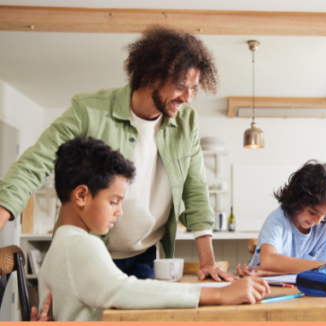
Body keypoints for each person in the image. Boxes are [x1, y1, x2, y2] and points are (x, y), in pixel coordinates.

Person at [0, 25, 235, 282]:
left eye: (193, 88)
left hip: (144, 255)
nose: (188, 98)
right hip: (85, 251)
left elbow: (196, 191)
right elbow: (34, 164)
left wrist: (208, 262)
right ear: (152, 76)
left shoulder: (187, 121)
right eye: (181, 86)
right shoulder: (88, 111)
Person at [37, 138, 267, 321]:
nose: (119, 211)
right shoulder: (81, 245)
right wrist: (220, 294)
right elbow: (122, 290)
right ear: (81, 195)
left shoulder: (60, 246)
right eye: (114, 201)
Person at [240, 161, 326, 277]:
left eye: (324, 215)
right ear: (297, 200)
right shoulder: (277, 221)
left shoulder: (325, 225)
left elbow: (320, 272)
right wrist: (325, 265)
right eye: (312, 212)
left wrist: (279, 270)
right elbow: (267, 260)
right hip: (263, 285)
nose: (318, 221)